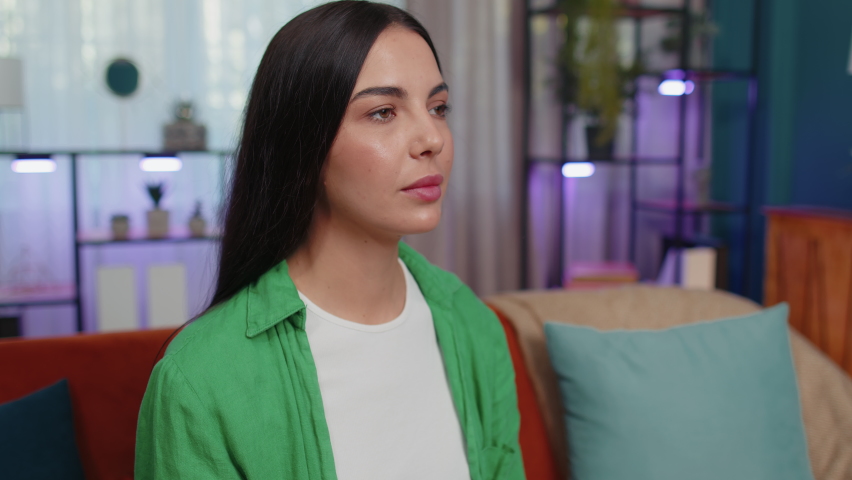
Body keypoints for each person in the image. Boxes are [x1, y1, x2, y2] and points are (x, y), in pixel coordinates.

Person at [135, 2, 524, 479]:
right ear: (305, 145)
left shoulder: (474, 327)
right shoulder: (199, 380)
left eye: (438, 107)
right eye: (383, 112)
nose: (432, 138)